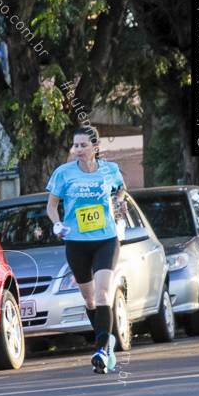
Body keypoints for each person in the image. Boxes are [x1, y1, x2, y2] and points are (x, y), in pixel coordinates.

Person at [46, 126, 129, 374]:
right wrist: (57, 223)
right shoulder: (64, 173)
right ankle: (107, 343)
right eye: (76, 146)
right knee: (90, 299)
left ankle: (102, 350)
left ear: (96, 148)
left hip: (106, 239)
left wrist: (120, 201)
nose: (78, 150)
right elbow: (51, 206)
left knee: (104, 294)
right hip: (76, 242)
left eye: (83, 145)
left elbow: (121, 189)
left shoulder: (110, 169)